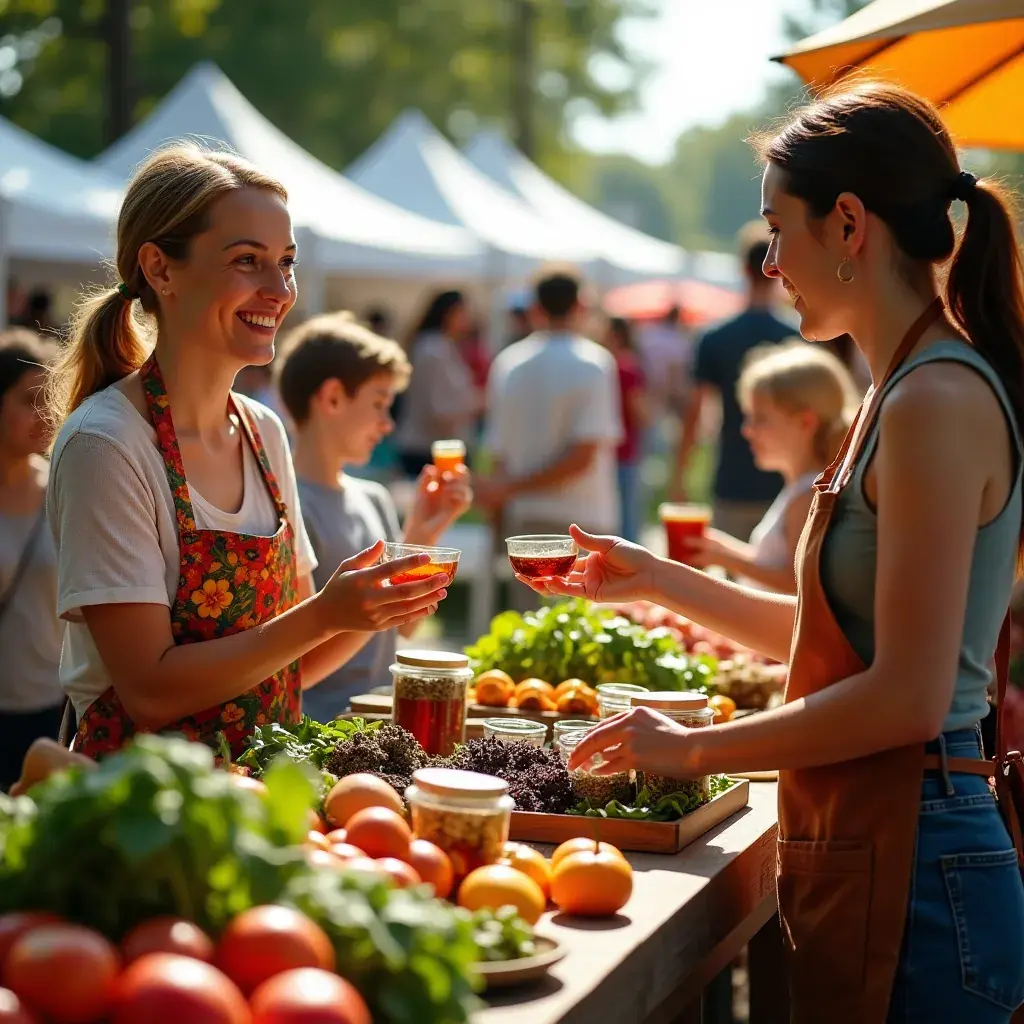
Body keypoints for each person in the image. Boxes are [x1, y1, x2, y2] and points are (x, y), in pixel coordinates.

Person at [517, 82, 1024, 1023]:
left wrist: (691, 749)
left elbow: (908, 696)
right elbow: (843, 641)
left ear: (846, 224)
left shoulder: (933, 399)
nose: (770, 261)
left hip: (921, 844)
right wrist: (657, 579)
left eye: (776, 228)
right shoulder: (900, 389)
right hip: (892, 833)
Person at [46, 144, 449, 760]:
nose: (280, 289)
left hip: (259, 794)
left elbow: (290, 666)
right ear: (160, 268)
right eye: (247, 261)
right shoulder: (107, 445)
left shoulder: (264, 431)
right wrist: (324, 613)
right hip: (139, 809)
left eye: (285, 262)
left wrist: (364, 608)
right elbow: (149, 689)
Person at [276, 311, 473, 720]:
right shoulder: (285, 504)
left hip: (382, 723)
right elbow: (288, 659)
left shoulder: (375, 497)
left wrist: (422, 531)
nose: (387, 425)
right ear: (331, 398)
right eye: (380, 404)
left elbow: (401, 627)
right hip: (319, 727)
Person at [478, 268, 622, 611]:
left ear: (535, 308)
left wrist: (506, 495)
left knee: (527, 640)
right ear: (581, 306)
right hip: (585, 521)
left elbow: (499, 456)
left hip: (526, 521)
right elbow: (583, 456)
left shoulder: (509, 363)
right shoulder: (595, 363)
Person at [689, 342, 857, 593]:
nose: (747, 430)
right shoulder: (801, 487)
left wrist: (727, 559)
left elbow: (796, 586)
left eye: (760, 419)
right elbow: (775, 563)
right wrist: (721, 549)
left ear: (805, 422)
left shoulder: (809, 496)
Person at [672, 223, 795, 541]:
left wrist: (679, 476)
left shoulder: (714, 338)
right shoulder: (796, 338)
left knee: (728, 581)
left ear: (741, 269)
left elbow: (694, 412)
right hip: (786, 481)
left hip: (731, 479)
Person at [0, 329, 64, 790]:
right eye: (28, 400)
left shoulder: (62, 490)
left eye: (49, 399)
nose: (42, 413)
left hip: (52, 709)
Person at [393, 289, 481, 477]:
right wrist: (477, 404)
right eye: (464, 312)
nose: (468, 318)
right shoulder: (433, 349)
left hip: (434, 447)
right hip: (429, 450)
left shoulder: (439, 345)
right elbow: (439, 410)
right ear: (449, 313)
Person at [603, 317, 649, 543]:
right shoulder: (626, 366)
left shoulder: (607, 366)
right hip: (624, 452)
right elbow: (639, 412)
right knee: (627, 515)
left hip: (606, 453)